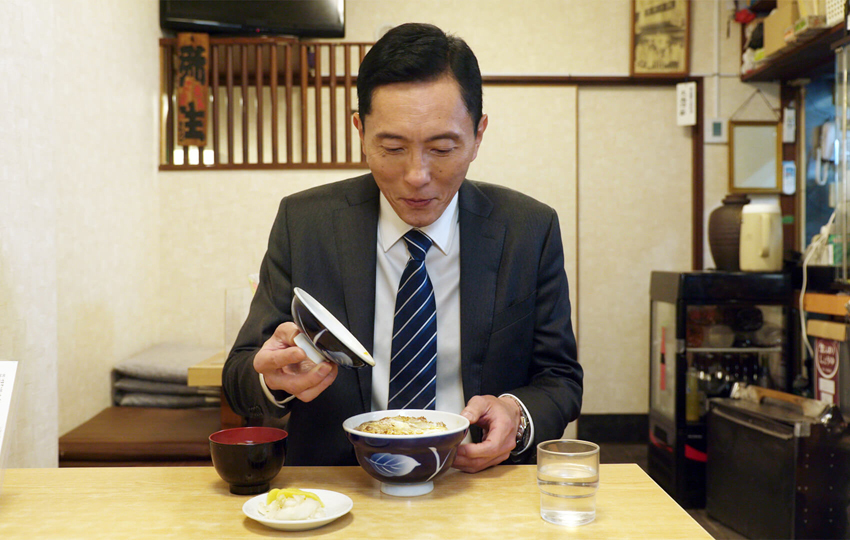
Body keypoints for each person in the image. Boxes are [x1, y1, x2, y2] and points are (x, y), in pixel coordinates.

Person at [223, 22, 582, 471]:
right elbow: (239, 375)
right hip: (341, 489)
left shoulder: (528, 229)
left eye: (442, 148)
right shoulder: (305, 223)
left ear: (478, 136)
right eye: (392, 147)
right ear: (360, 131)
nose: (417, 175)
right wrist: (274, 379)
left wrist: (515, 414)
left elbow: (560, 378)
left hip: (477, 487)